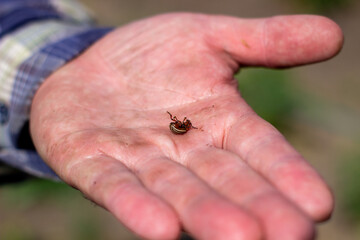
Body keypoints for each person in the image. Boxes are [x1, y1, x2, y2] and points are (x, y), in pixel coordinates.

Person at [0, 0, 343, 239]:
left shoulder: (181, 125)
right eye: (179, 124)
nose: (181, 125)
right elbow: (177, 126)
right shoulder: (179, 124)